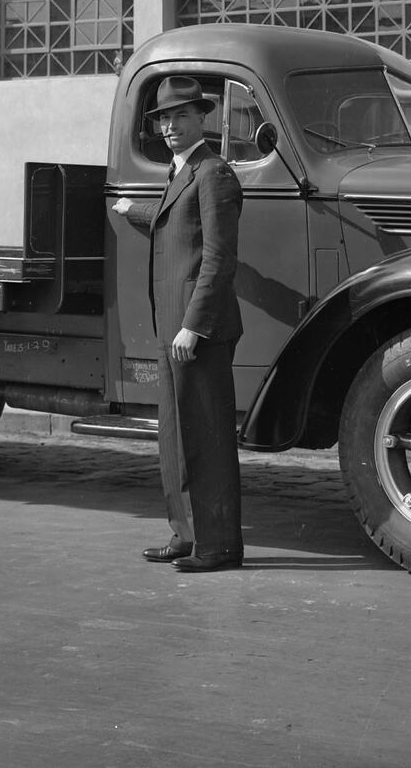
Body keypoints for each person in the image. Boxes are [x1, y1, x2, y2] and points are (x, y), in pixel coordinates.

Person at [113, 75, 245, 572]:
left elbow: (218, 258)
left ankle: (219, 547)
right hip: (174, 327)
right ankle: (186, 534)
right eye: (163, 118)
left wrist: (194, 326)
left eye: (180, 116)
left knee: (206, 436)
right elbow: (175, 219)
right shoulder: (181, 171)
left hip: (198, 329)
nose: (169, 125)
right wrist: (133, 210)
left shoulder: (214, 173)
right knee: (175, 433)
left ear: (202, 118)